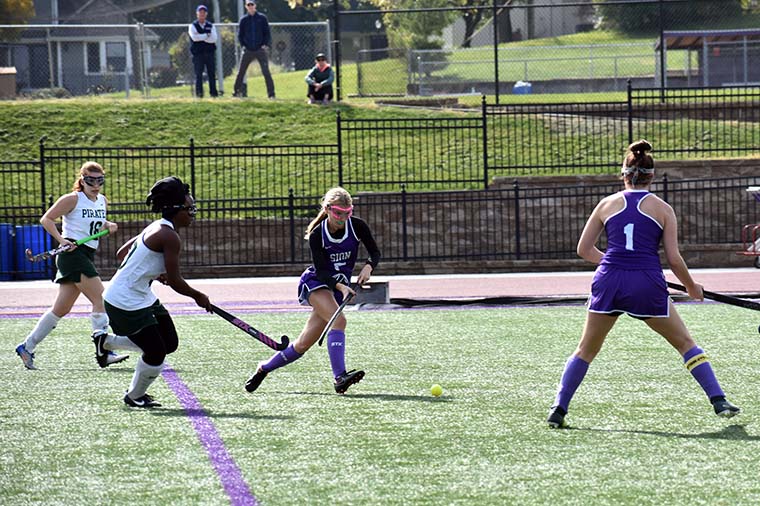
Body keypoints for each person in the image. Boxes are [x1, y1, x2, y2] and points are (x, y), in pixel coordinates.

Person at [546, 140, 740, 428]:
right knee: (685, 343)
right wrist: (691, 286)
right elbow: (674, 259)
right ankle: (719, 400)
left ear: (624, 174)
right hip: (647, 283)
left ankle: (558, 409)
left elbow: (584, 250)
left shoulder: (606, 204)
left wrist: (616, 265)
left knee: (585, 349)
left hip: (608, 280)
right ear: (652, 176)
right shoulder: (663, 209)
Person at [245, 187, 380, 395]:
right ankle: (339, 377)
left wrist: (369, 266)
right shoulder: (318, 234)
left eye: (348, 213)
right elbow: (322, 270)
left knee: (302, 345)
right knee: (340, 321)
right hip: (317, 282)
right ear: (327, 209)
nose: (343, 218)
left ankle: (264, 368)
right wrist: (342, 286)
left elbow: (375, 251)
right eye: (338, 213)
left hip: (337, 286)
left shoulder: (357, 226)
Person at [99, 176, 211, 408]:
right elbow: (177, 282)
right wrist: (198, 296)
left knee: (169, 342)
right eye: (189, 208)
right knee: (156, 352)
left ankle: (107, 342)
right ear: (175, 209)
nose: (193, 212)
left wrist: (152, 273)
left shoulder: (158, 227)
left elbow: (122, 253)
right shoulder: (169, 236)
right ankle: (135, 395)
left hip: (141, 296)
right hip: (125, 302)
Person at [15, 161, 128, 370]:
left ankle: (26, 346)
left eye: (99, 180)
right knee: (100, 299)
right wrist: (61, 239)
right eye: (90, 180)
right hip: (72, 255)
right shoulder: (72, 199)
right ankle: (104, 351)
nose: (95, 185)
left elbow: (96, 222)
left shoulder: (102, 201)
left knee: (61, 308)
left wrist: (108, 225)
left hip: (87, 253)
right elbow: (46, 219)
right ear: (82, 180)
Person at [232, 1, 275, 99]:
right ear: (246, 7)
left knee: (266, 72)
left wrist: (264, 44)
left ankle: (271, 94)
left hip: (260, 49)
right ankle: (236, 92)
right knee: (241, 72)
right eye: (248, 5)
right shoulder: (243, 20)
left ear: (255, 6)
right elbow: (240, 35)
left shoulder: (262, 18)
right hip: (248, 50)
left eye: (252, 5)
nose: (250, 7)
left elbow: (267, 33)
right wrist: (244, 45)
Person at [188, 4, 218, 98]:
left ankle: (213, 94)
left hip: (209, 53)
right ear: (197, 14)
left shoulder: (210, 25)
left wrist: (201, 36)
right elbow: (194, 38)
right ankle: (199, 94)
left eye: (203, 13)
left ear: (206, 14)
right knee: (198, 75)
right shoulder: (192, 25)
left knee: (211, 74)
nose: (202, 14)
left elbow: (213, 39)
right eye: (200, 12)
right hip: (198, 54)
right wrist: (206, 36)